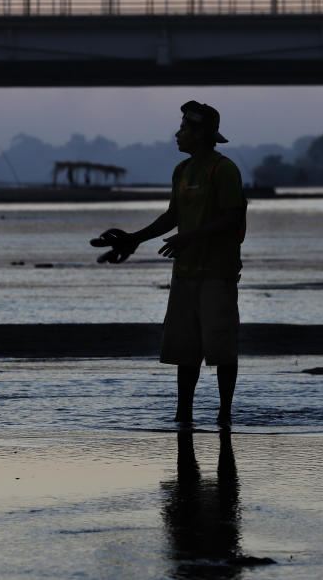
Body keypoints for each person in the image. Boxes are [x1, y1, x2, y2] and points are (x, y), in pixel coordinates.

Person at [91, 101, 245, 426]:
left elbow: (233, 220)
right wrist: (134, 239)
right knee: (185, 350)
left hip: (218, 273)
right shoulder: (182, 172)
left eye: (185, 129)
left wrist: (189, 238)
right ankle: (183, 414)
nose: (178, 134)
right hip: (185, 274)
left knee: (222, 350)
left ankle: (225, 415)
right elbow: (172, 217)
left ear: (201, 134)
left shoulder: (224, 170)